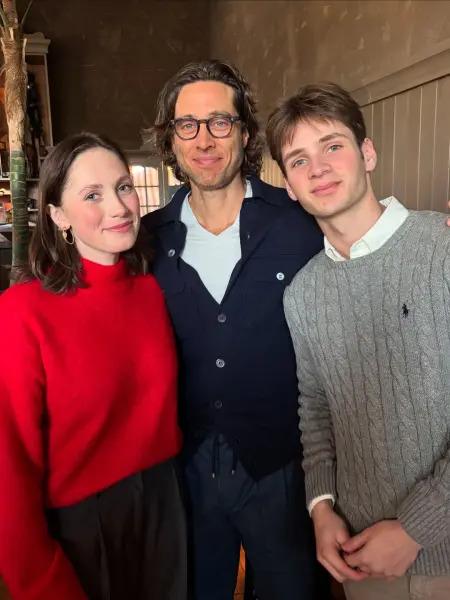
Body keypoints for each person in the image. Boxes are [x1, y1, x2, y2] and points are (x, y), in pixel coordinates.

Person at [143, 60, 324, 600]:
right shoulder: (146, 242)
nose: (204, 139)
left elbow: (359, 243)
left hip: (281, 468)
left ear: (244, 133)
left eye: (220, 122)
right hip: (186, 470)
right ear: (170, 140)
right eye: (188, 125)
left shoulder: (299, 223)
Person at [266, 82, 450, 600]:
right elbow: (315, 411)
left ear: (367, 153)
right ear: (290, 186)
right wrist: (321, 507)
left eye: (332, 145)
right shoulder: (303, 294)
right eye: (298, 160)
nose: (318, 168)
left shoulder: (441, 248)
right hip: (364, 560)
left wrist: (418, 527)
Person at [0, 133, 186, 600]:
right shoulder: (22, 312)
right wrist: (39, 581)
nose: (119, 207)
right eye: (92, 195)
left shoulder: (151, 290)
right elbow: (8, 468)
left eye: (123, 187)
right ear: (58, 215)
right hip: (83, 527)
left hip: (166, 503)